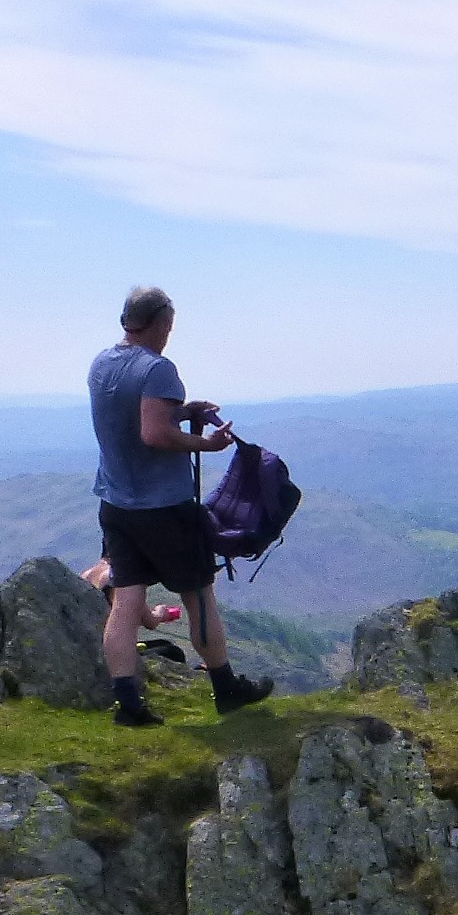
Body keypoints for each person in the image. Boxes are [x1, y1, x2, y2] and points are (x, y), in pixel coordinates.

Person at [88, 286, 273, 727]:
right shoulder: (158, 369)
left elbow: (135, 418)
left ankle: (127, 704)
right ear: (157, 323)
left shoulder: (102, 364)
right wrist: (205, 444)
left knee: (127, 601)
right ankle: (226, 688)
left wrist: (181, 409)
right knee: (199, 596)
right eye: (168, 326)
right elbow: (152, 434)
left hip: (117, 503)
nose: (169, 334)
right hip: (165, 508)